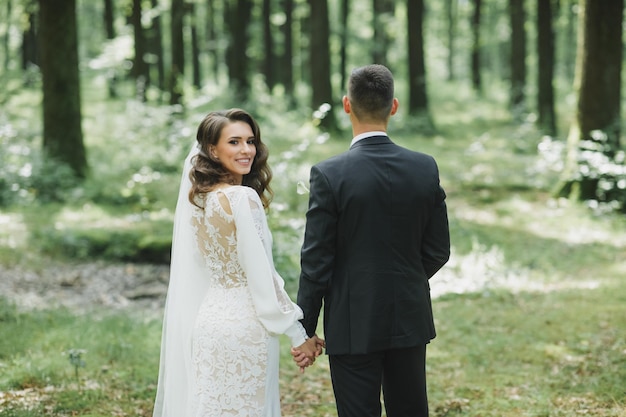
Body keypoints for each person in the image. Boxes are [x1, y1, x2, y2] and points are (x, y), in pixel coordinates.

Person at [293, 64, 451, 417]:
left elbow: (316, 261)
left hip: (352, 319)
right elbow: (439, 250)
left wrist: (304, 330)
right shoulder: (424, 167)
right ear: (393, 106)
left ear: (347, 105)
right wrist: (404, 279)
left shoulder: (329, 174)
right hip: (408, 315)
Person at [153, 108, 323, 417]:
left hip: (209, 323)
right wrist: (299, 335)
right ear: (213, 150)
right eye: (234, 142)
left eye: (250, 141)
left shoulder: (199, 201)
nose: (246, 150)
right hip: (246, 329)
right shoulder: (242, 198)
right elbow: (262, 276)